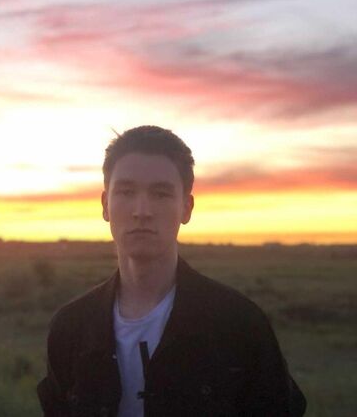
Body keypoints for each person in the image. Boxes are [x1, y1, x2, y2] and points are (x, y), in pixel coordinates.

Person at [37, 125, 307, 417]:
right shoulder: (70, 328)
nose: (142, 210)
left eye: (161, 194)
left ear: (186, 208)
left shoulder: (240, 326)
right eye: (126, 192)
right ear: (105, 205)